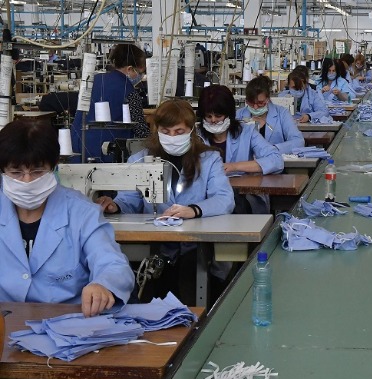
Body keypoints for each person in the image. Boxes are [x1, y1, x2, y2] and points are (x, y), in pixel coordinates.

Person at [0, 119, 135, 379]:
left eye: (37, 172)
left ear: (54, 168)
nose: (27, 181)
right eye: (16, 172)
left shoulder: (81, 212)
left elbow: (113, 264)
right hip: (6, 329)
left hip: (69, 327)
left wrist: (103, 284)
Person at [96, 99, 234, 305]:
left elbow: (225, 198)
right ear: (157, 131)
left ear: (191, 130)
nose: (172, 137)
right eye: (166, 131)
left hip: (195, 246)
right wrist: (116, 206)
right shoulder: (139, 160)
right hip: (156, 246)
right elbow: (130, 199)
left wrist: (194, 210)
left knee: (189, 277)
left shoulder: (209, 159)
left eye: (179, 131)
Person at [198, 84, 283, 214]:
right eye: (208, 117)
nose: (213, 120)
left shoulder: (246, 132)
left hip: (242, 197)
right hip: (206, 198)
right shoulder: (196, 137)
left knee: (236, 204)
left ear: (229, 114)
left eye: (218, 116)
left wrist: (234, 166)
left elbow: (276, 160)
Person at [70, 43, 150, 162]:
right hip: (107, 151)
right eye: (139, 72)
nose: (141, 76)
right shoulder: (130, 92)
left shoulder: (93, 80)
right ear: (129, 69)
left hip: (77, 145)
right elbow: (141, 130)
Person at [236, 76, 305, 154]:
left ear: (268, 99)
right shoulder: (239, 115)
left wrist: (273, 149)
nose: (255, 107)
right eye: (251, 103)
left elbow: (298, 141)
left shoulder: (282, 114)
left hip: (273, 159)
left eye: (260, 103)